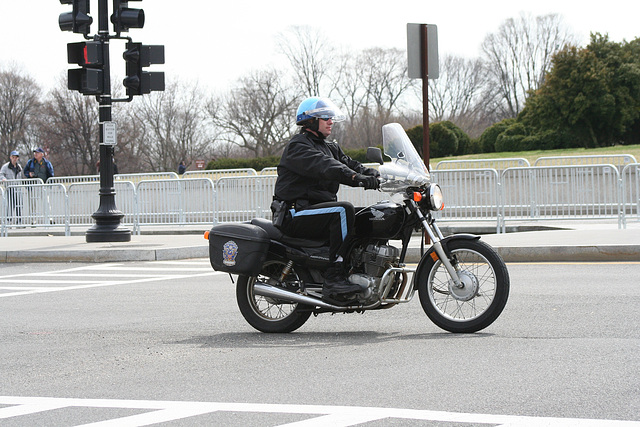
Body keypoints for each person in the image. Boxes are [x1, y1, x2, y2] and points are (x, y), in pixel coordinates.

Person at [273, 97, 380, 304]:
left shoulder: (329, 146)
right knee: (343, 210)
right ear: (311, 121)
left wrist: (379, 176)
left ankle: (356, 269)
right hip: (295, 213)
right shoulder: (298, 146)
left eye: (331, 117)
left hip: (315, 211)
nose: (331, 121)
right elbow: (327, 166)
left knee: (367, 215)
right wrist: (356, 179)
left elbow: (351, 164)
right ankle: (334, 277)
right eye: (326, 117)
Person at [0, 150, 24, 223]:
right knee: (10, 204)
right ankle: (9, 220)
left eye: (16, 157)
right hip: (10, 188)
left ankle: (19, 220)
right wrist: (3, 179)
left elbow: (21, 176)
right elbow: (1, 174)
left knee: (19, 204)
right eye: (13, 157)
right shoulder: (6, 166)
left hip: (18, 188)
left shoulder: (19, 167)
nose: (14, 159)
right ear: (10, 157)